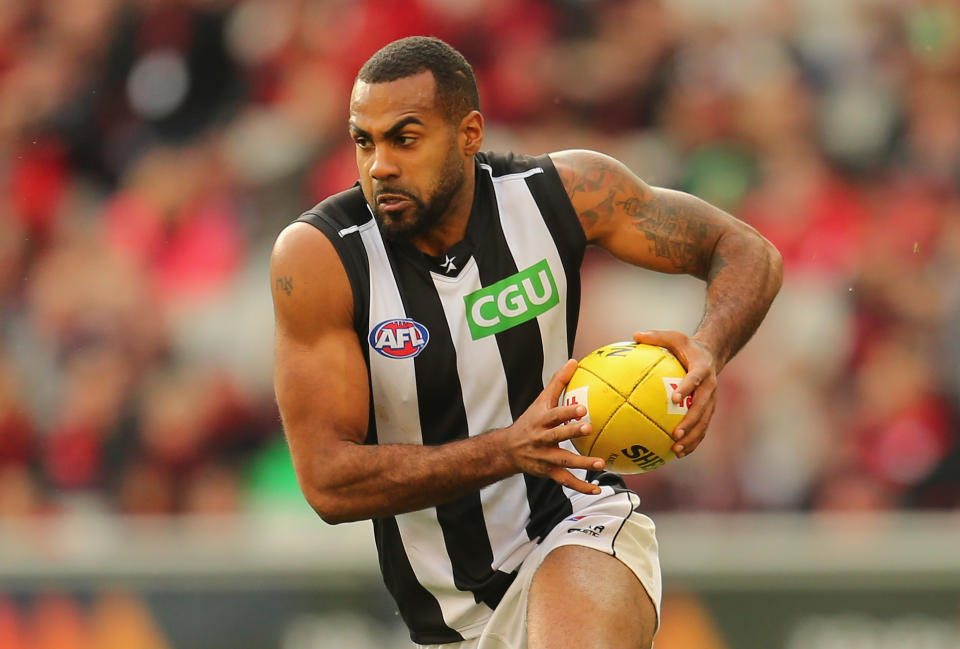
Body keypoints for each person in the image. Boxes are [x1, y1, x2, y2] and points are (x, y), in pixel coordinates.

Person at [270, 36, 782, 649]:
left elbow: (746, 250)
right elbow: (327, 481)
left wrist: (708, 349)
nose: (380, 164)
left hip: (572, 523)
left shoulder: (561, 193)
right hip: (445, 614)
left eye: (404, 139)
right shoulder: (321, 258)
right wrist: (507, 449)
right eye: (364, 141)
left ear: (469, 133)